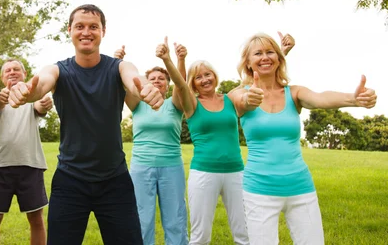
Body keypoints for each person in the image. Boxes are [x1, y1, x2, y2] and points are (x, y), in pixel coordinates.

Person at [8, 4, 164, 245]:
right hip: (70, 181)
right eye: (79, 26)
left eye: (93, 27)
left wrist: (144, 88)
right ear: (69, 30)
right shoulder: (59, 70)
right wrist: (26, 92)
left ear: (103, 31)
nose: (86, 32)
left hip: (115, 180)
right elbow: (40, 84)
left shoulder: (118, 67)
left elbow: (133, 78)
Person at [228, 33, 377, 245]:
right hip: (260, 190)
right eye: (258, 53)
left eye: (270, 52)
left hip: (300, 186)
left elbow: (320, 98)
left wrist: (354, 99)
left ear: (279, 58)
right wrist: (249, 98)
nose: (264, 57)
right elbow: (243, 102)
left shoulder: (294, 93)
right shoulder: (238, 93)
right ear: (248, 62)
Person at [184, 32, 294, 245]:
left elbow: (256, 77)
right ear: (193, 83)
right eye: (199, 77)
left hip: (236, 172)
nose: (205, 79)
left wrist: (283, 51)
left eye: (208, 74)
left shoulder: (231, 97)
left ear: (215, 76)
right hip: (204, 173)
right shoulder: (192, 104)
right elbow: (179, 85)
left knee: (245, 234)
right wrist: (177, 60)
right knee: (200, 236)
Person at [115, 38, 192, 245]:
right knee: (141, 218)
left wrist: (179, 59)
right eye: (153, 78)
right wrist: (117, 62)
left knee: (175, 218)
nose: (157, 81)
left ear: (168, 84)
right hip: (141, 168)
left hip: (171, 167)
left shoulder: (174, 105)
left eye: (161, 78)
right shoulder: (138, 105)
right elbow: (122, 84)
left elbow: (182, 84)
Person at [0, 59, 52, 245]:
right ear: (1, 76)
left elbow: (39, 107)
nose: (12, 72)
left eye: (16, 69)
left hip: (30, 165)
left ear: (24, 74)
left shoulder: (31, 96)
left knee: (36, 220)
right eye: (7, 70)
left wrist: (44, 104)